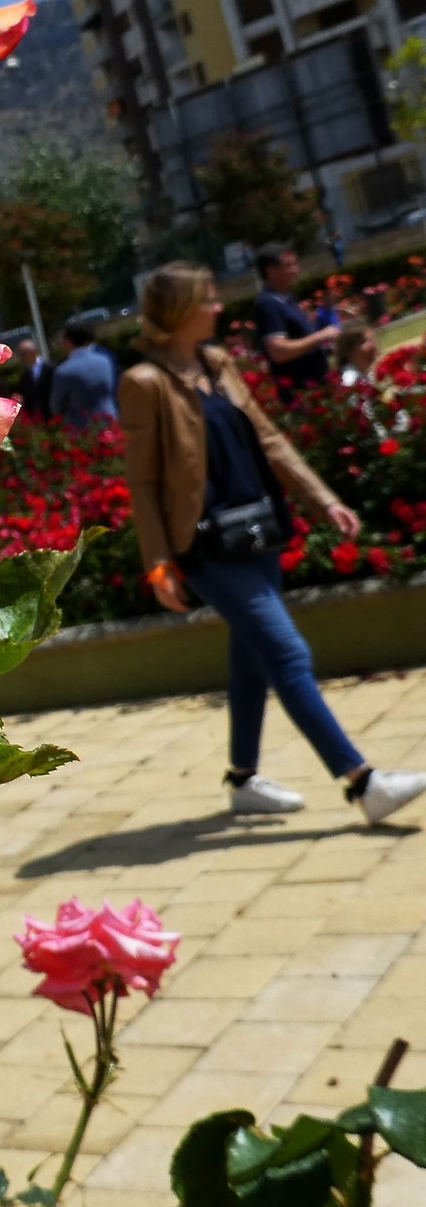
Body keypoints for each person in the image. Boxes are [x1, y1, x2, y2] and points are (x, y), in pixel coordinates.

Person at [119, 261, 425, 826]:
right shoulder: (145, 383)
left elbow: (270, 438)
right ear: (180, 309)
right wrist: (158, 562)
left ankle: (243, 781)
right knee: (287, 653)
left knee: (251, 661)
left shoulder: (218, 364)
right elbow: (143, 481)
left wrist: (323, 500)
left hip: (256, 528)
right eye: (208, 299)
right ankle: (363, 783)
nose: (219, 308)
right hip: (206, 544)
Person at [253, 244, 338, 390]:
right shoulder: (268, 304)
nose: (295, 270)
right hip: (300, 392)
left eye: (295, 264)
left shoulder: (287, 299)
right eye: (288, 265)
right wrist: (320, 336)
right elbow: (278, 351)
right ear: (271, 271)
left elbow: (302, 339)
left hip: (316, 385)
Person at [49, 320, 119, 430]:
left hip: (82, 429)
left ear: (68, 341)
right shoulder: (105, 360)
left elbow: (56, 406)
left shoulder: (63, 371)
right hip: (110, 421)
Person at [12, 335, 52, 420]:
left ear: (33, 352)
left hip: (53, 413)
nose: (21, 358)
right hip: (37, 418)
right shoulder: (25, 375)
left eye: (23, 354)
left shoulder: (51, 368)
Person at [335, 321, 378, 386]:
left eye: (372, 339)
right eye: (363, 342)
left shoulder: (368, 373)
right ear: (348, 350)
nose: (372, 345)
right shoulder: (350, 380)